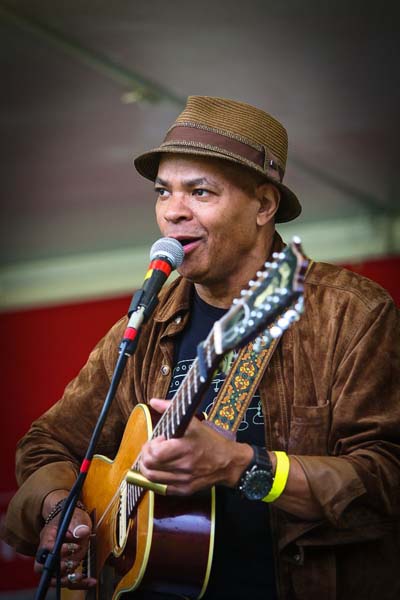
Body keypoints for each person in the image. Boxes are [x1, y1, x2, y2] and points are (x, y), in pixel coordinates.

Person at [2, 96, 400, 600]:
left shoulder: (348, 313)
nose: (173, 211)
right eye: (163, 191)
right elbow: (45, 444)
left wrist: (242, 465)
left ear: (264, 205)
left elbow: (387, 477)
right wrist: (64, 512)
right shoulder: (144, 326)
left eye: (200, 192)